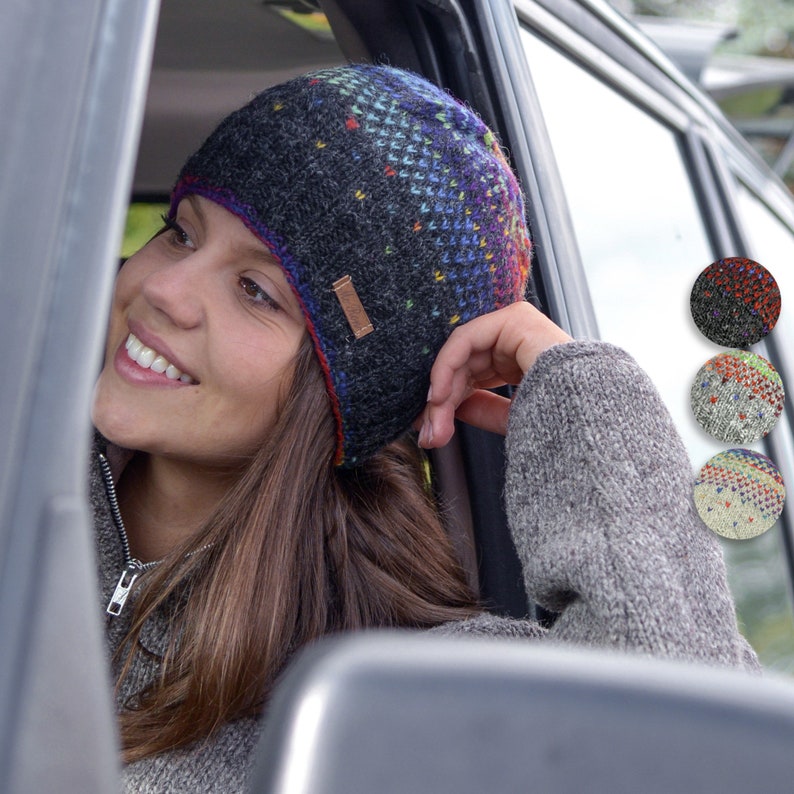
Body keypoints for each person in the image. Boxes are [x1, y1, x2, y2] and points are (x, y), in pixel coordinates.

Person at [89, 64, 758, 792]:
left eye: (257, 291)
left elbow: (683, 759)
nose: (161, 288)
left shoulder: (412, 696)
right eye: (180, 235)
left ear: (350, 391)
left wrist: (580, 390)